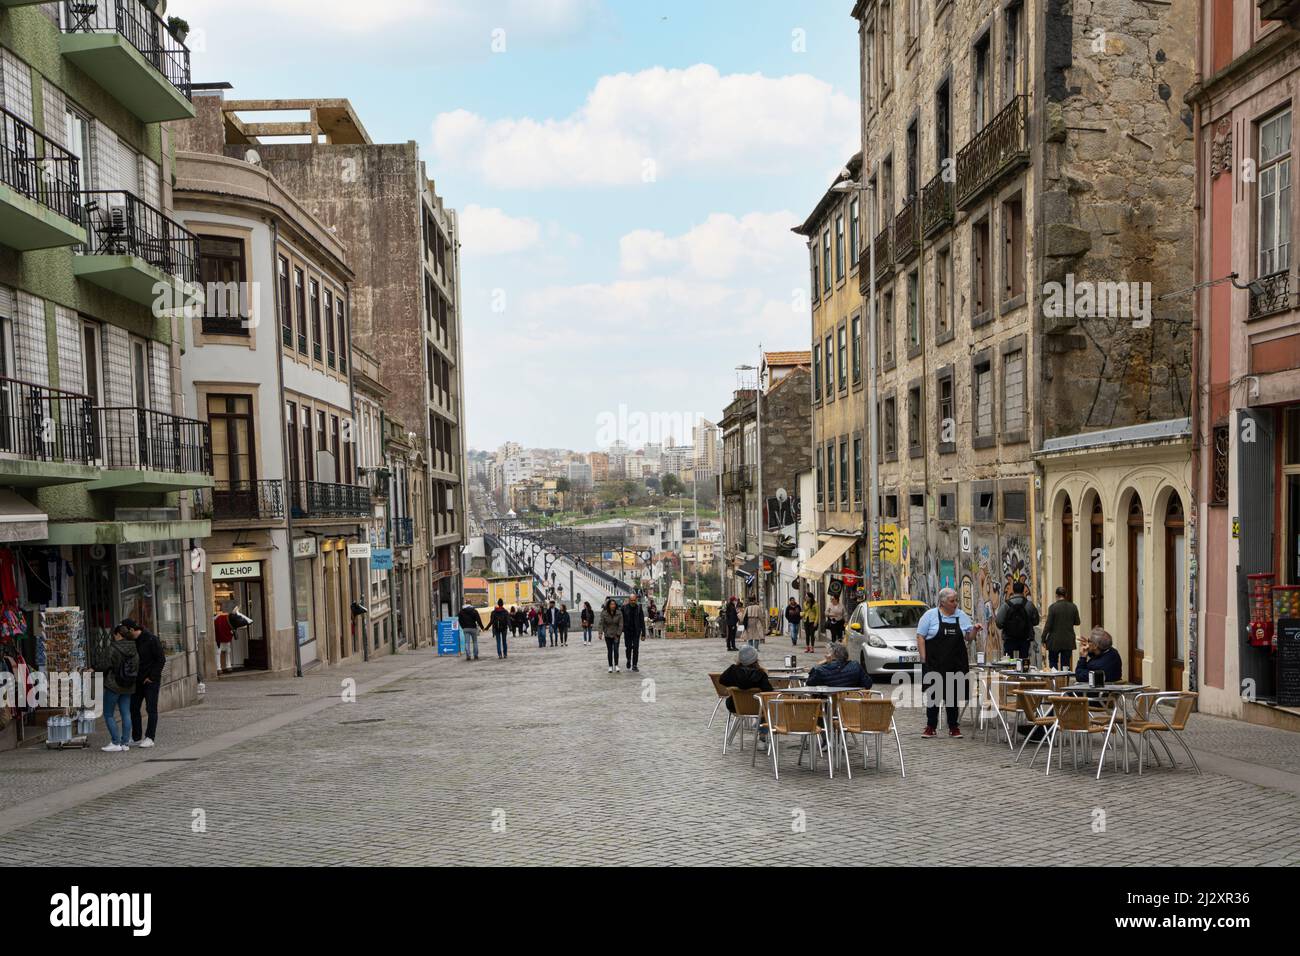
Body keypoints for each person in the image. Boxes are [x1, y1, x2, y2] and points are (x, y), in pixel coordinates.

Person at [915, 587, 980, 739]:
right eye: (952, 601)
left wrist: (975, 630)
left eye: (956, 600)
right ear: (943, 602)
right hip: (935, 663)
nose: (956, 603)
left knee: (952, 696)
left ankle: (954, 727)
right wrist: (924, 659)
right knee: (934, 696)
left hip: (955, 663)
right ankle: (931, 727)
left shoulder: (961, 616)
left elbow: (968, 638)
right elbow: (920, 637)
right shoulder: (930, 616)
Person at [718, 645, 774, 748]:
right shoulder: (761, 674)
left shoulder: (732, 671)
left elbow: (722, 680)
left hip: (736, 706)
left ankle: (757, 727)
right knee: (768, 705)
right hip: (757, 708)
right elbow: (768, 692)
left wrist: (734, 685)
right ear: (756, 659)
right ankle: (762, 736)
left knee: (765, 706)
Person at [121, 619, 164, 748]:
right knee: (133, 708)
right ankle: (136, 737)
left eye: (125, 630)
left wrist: (152, 677)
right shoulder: (131, 641)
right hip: (137, 681)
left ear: (132, 630)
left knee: (151, 709)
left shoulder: (152, 639)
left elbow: (161, 659)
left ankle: (150, 737)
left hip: (150, 681)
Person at [101, 623, 139, 752]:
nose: (114, 636)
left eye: (115, 634)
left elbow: (105, 665)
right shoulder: (134, 648)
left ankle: (115, 742)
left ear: (118, 634)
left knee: (108, 713)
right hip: (128, 685)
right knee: (126, 713)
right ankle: (125, 743)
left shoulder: (113, 647)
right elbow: (136, 666)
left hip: (114, 684)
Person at [995, 580, 1040, 662]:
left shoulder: (1006, 605)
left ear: (1013, 590)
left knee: (1009, 662)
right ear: (1023, 590)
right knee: (1024, 662)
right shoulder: (1029, 605)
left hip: (1009, 638)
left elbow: (998, 622)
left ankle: (1010, 674)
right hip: (1025, 638)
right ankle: (1023, 674)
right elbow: (1036, 621)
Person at [1042, 586, 1080, 669]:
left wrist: (1043, 638)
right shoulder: (1073, 607)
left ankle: (1054, 680)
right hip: (1068, 640)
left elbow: (1048, 625)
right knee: (1066, 664)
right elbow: (1077, 622)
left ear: (1056, 595)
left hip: (1054, 640)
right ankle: (1065, 680)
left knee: (1053, 662)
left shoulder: (1052, 607)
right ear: (1065, 595)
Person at [806, 641, 871, 688]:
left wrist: (821, 664)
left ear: (832, 656)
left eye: (827, 653)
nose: (825, 655)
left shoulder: (820, 670)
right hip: (852, 703)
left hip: (829, 704)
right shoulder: (855, 666)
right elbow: (868, 684)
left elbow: (809, 683)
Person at [621, 593, 646, 671]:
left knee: (635, 648)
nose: (633, 602)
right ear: (629, 600)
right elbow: (621, 620)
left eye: (634, 600)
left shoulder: (639, 608)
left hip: (636, 632)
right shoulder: (624, 608)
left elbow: (642, 621)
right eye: (631, 600)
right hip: (627, 631)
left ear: (636, 600)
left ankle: (634, 665)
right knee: (628, 648)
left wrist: (643, 633)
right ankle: (628, 660)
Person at [600, 598, 623, 673]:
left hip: (616, 634)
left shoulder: (619, 613)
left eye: (614, 604)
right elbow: (601, 623)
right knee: (610, 650)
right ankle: (610, 666)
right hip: (608, 634)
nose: (613, 606)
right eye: (611, 604)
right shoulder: (604, 613)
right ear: (608, 605)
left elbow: (621, 624)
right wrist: (600, 633)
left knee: (616, 650)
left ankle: (616, 665)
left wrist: (618, 633)